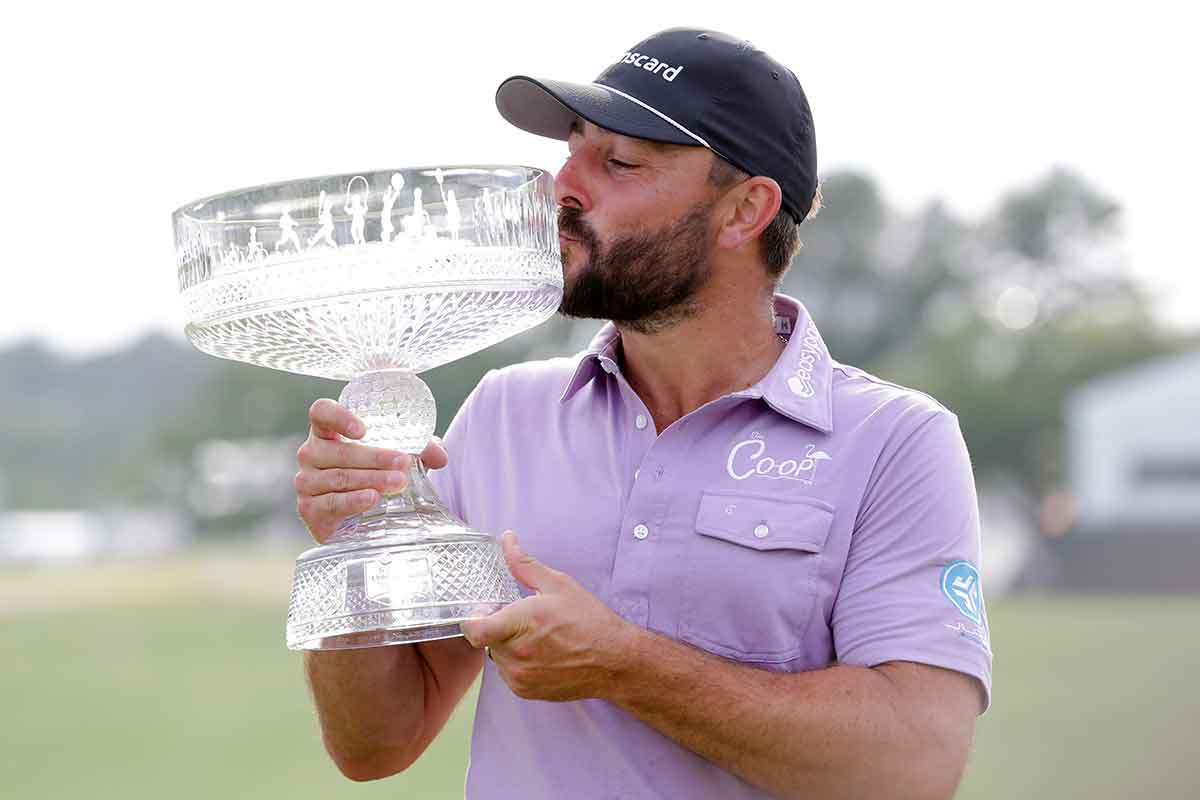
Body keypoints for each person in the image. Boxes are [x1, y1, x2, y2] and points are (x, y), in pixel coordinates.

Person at [295, 27, 992, 799]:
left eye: (619, 162)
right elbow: (375, 745)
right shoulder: (503, 412)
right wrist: (352, 548)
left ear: (744, 211)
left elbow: (917, 764)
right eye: (573, 148)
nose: (563, 185)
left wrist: (625, 664)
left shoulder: (896, 441)